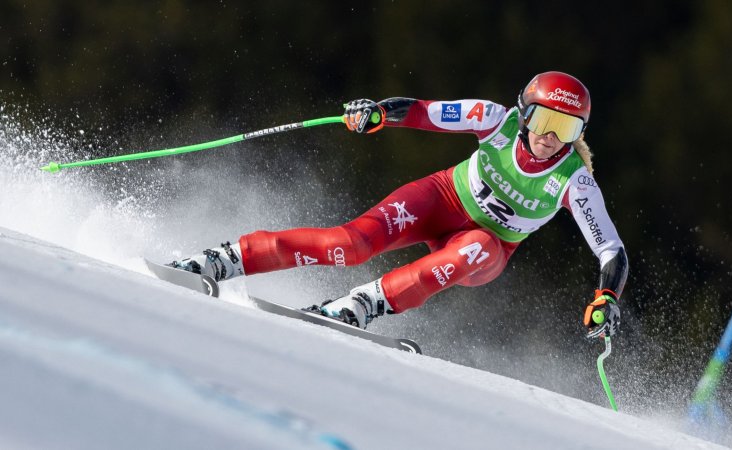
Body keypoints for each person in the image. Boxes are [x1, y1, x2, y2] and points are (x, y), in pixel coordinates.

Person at [170, 71, 628, 339]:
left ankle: (361, 306)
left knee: (478, 248)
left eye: (567, 129)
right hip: (442, 199)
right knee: (350, 244)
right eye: (545, 120)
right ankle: (221, 260)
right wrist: (377, 113)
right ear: (525, 113)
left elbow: (611, 250)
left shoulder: (575, 182)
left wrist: (606, 297)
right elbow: (425, 111)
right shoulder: (495, 120)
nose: (551, 136)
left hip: (487, 246)